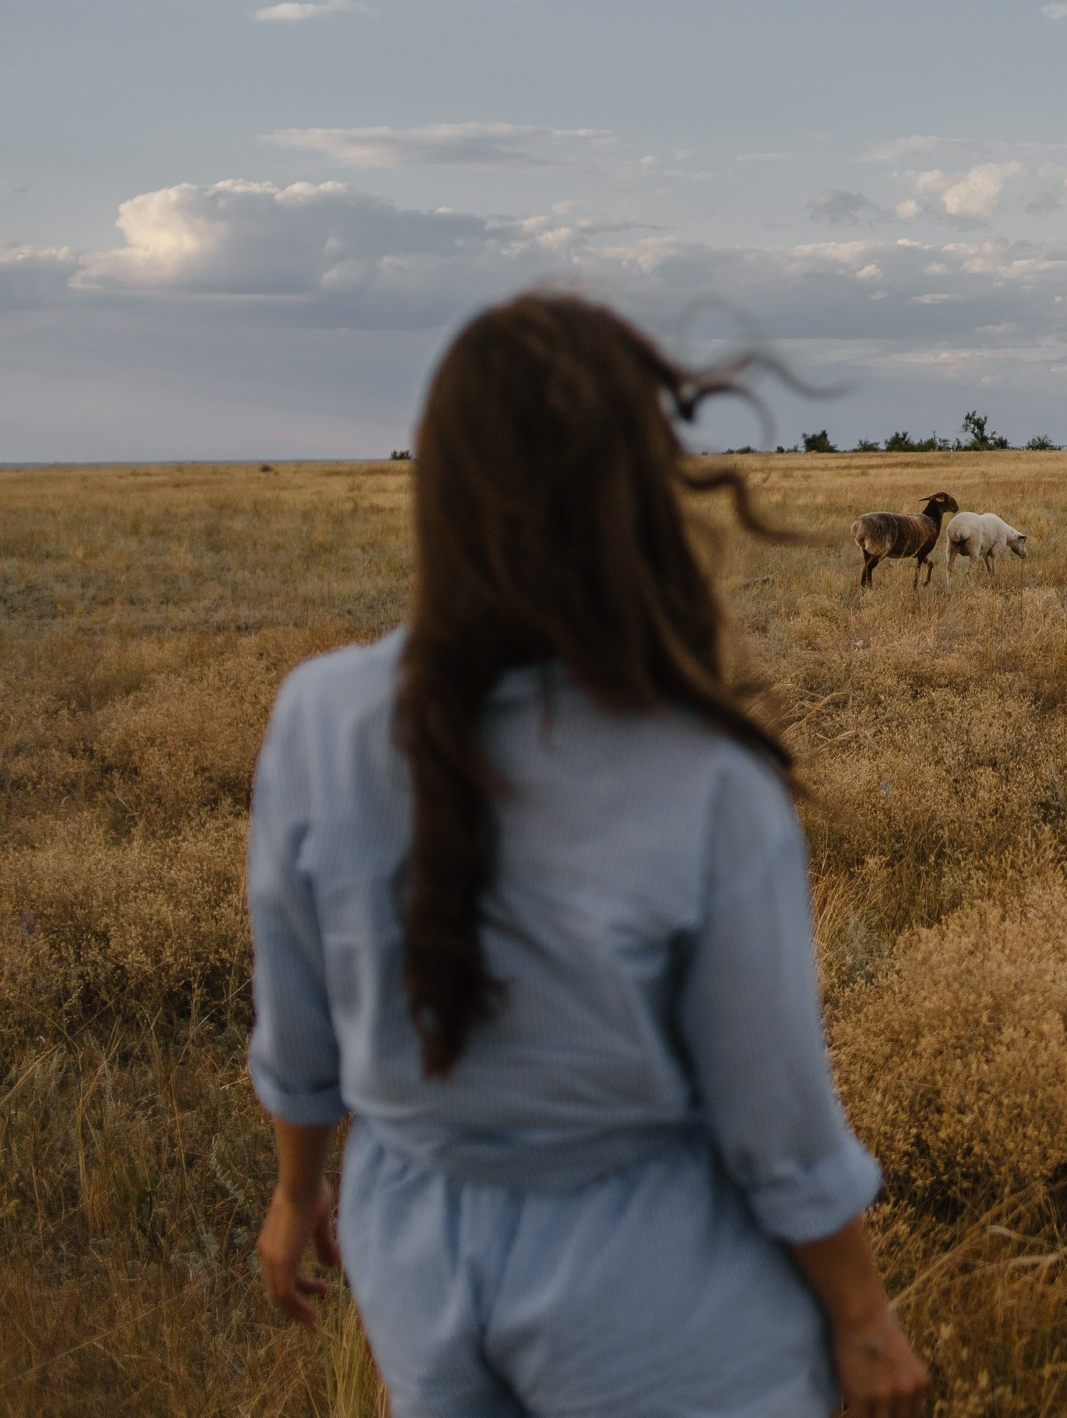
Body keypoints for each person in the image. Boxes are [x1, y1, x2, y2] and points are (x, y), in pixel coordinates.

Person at [247, 293, 929, 1417]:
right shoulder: (702, 769)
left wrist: (294, 1192)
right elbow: (774, 1109)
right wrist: (862, 1317)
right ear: (633, 496)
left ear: (440, 487)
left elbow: (296, 1015)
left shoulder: (317, 718)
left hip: (412, 1254)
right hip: (647, 1278)